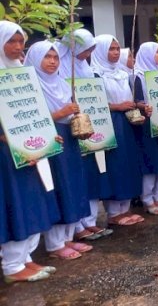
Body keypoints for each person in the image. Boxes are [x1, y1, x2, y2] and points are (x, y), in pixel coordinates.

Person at [0, 21, 60, 282]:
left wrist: (48, 133)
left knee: (33, 200)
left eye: (20, 41)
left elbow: (34, 113)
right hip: (8, 155)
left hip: (32, 151)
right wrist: (11, 140)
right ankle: (12, 266)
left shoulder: (23, 74)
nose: (17, 47)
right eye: (11, 41)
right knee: (16, 202)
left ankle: (26, 258)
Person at [25, 41, 93, 260]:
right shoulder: (30, 86)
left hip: (68, 140)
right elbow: (29, 120)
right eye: (47, 57)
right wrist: (62, 111)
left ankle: (68, 237)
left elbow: (69, 111)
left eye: (56, 57)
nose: (53, 61)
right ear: (36, 58)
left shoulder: (62, 83)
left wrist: (75, 114)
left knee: (72, 186)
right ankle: (55, 244)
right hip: (48, 141)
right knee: (56, 188)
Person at [58, 29, 113, 242]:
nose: (88, 54)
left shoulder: (86, 69)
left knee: (89, 176)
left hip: (89, 128)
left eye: (91, 50)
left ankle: (88, 222)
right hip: (66, 131)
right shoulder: (60, 70)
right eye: (85, 49)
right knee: (72, 179)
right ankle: (75, 227)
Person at [90, 35, 145, 226]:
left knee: (129, 164)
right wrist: (116, 107)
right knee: (115, 165)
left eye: (116, 48)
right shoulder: (95, 75)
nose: (114, 53)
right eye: (110, 49)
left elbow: (130, 99)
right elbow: (93, 105)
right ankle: (114, 212)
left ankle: (125, 208)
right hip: (110, 123)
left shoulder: (123, 73)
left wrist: (136, 108)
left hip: (127, 123)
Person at [133, 42, 158, 215]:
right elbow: (136, 101)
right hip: (147, 124)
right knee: (151, 162)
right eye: (157, 52)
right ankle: (148, 199)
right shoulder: (138, 76)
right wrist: (143, 107)